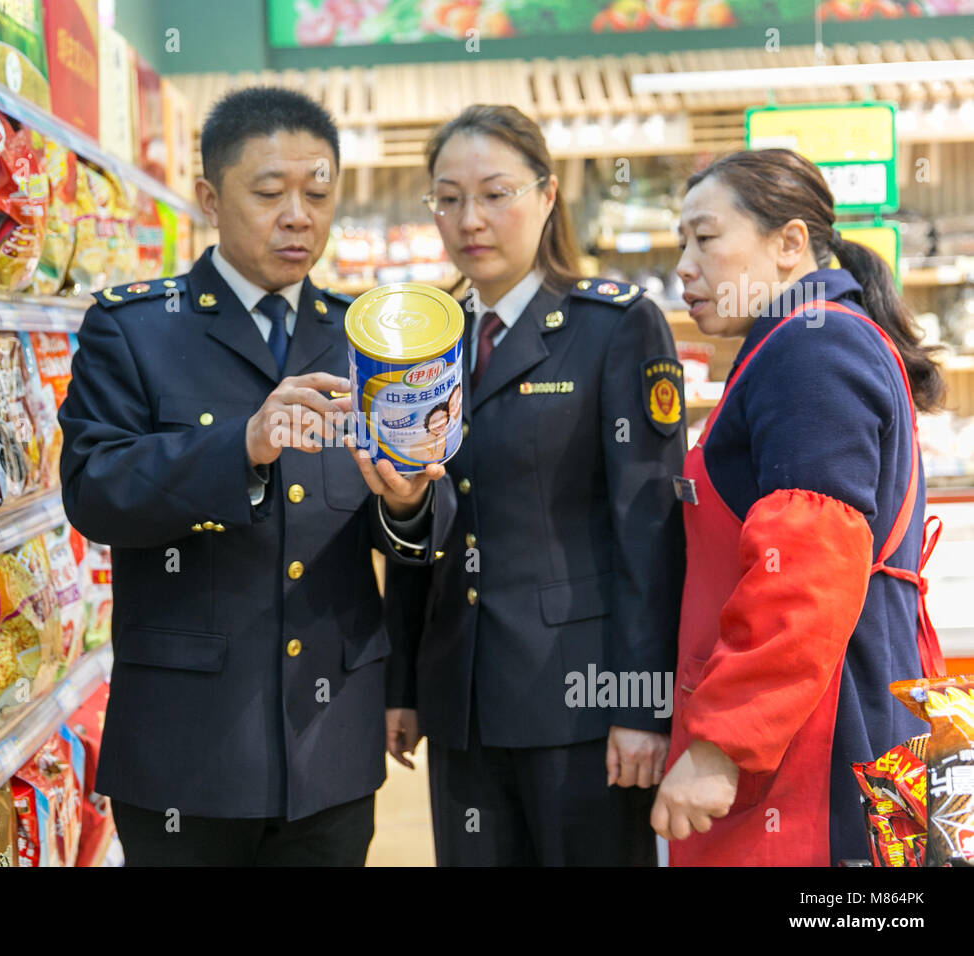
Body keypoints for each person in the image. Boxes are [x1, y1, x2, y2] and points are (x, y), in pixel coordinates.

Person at [58, 87, 454, 866]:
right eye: (270, 193)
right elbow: (95, 490)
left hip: (329, 746)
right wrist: (239, 446)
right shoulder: (135, 327)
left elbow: (407, 532)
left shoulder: (364, 338)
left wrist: (409, 503)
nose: (298, 215)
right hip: (186, 750)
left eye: (318, 192)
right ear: (209, 197)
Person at [384, 104, 686, 866]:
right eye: (447, 198)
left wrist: (642, 705)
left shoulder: (613, 327)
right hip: (464, 697)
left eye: (495, 193)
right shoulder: (427, 343)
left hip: (580, 705)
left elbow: (648, 530)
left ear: (548, 196)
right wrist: (405, 684)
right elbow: (423, 517)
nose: (469, 219)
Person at [652, 148, 946, 866]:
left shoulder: (810, 350)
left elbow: (809, 565)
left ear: (789, 244)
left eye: (706, 237)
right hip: (851, 729)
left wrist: (721, 745)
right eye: (680, 242)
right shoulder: (807, 340)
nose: (684, 266)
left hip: (814, 757)